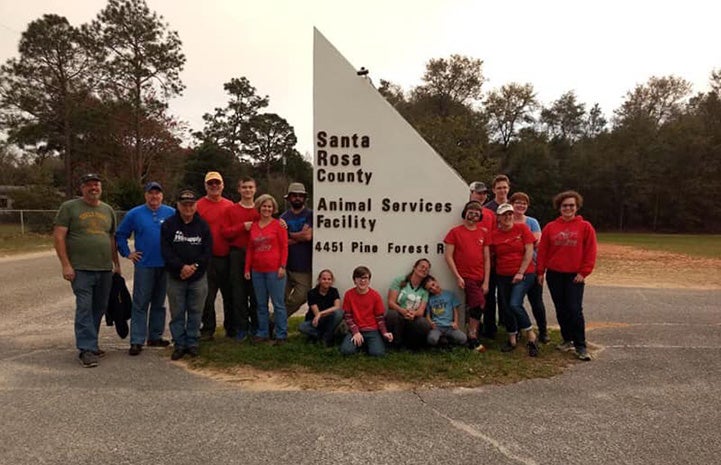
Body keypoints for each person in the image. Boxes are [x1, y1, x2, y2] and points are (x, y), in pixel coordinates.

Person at [53, 173, 121, 368]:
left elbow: (111, 239)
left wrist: (116, 265)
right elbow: (59, 237)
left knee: (99, 307)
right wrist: (66, 264)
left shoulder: (108, 210)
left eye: (96, 184)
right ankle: (85, 349)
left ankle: (91, 343)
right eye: (89, 185)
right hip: (81, 269)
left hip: (104, 268)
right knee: (84, 306)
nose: (93, 188)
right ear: (82, 188)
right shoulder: (69, 208)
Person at [115, 181, 176, 356]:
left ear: (162, 196)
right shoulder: (135, 214)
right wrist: (127, 253)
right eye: (151, 193)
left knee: (159, 303)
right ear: (146, 195)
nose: (154, 196)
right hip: (144, 265)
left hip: (164, 265)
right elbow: (120, 235)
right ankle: (136, 340)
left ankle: (155, 336)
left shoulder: (171, 213)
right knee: (141, 303)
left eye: (157, 193)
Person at [537, 190, 597, 361]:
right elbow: (543, 251)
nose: (568, 208)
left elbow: (590, 251)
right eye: (564, 206)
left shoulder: (585, 227)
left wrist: (584, 272)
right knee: (561, 309)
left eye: (571, 205)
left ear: (577, 207)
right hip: (555, 275)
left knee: (574, 309)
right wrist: (540, 271)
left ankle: (581, 345)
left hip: (574, 276)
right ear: (559, 207)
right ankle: (567, 339)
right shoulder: (550, 227)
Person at [160, 189, 212, 361]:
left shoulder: (203, 225)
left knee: (196, 311)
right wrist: (181, 267)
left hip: (198, 276)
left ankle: (192, 342)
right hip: (176, 276)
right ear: (178, 205)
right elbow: (166, 250)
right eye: (184, 204)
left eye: (191, 204)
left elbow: (207, 251)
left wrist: (194, 267)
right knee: (178, 312)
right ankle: (179, 343)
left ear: (196, 206)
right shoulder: (168, 224)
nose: (188, 208)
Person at [492, 203, 540, 356]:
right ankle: (511, 338)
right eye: (504, 214)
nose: (507, 217)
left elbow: (529, 251)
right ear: (498, 217)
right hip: (503, 274)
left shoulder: (522, 229)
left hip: (524, 273)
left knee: (514, 304)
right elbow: (491, 255)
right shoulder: (494, 234)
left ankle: (531, 335)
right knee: (506, 307)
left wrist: (520, 272)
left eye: (510, 214)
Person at [443, 200, 491, 351]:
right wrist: (458, 276)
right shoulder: (455, 232)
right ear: (465, 213)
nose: (473, 216)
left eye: (477, 214)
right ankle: (472, 335)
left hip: (480, 277)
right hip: (466, 276)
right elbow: (448, 256)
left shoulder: (483, 232)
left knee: (473, 306)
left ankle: (469, 333)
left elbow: (487, 258)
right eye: (471, 212)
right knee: (478, 303)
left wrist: (486, 282)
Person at [244, 194, 289, 345]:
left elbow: (284, 247)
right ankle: (262, 332)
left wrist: (282, 266)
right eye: (264, 206)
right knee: (260, 304)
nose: (267, 209)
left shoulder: (279, 225)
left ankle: (281, 334)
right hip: (257, 271)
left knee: (278, 304)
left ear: (274, 208)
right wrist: (247, 268)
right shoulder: (254, 226)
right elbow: (250, 248)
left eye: (269, 206)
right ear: (259, 207)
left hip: (275, 270)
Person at [197, 171, 234, 340]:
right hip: (207, 258)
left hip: (227, 256)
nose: (214, 186)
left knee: (230, 294)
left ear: (222, 185)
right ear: (205, 186)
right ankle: (208, 329)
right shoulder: (198, 206)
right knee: (207, 296)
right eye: (210, 183)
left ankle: (231, 328)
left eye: (217, 183)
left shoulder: (230, 205)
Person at [222, 176, 260, 341]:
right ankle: (241, 328)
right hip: (237, 254)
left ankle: (256, 327)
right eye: (244, 187)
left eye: (250, 187)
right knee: (238, 293)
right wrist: (242, 227)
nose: (247, 190)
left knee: (256, 292)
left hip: (258, 254)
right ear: (239, 190)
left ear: (255, 189)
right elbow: (225, 233)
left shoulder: (260, 210)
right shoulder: (231, 210)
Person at [510, 192, 549, 343]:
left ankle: (543, 331)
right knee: (513, 303)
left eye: (524, 203)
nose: (521, 205)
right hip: (512, 268)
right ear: (512, 204)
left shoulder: (532, 222)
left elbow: (536, 243)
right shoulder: (506, 220)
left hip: (532, 267)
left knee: (536, 302)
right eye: (517, 202)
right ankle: (519, 329)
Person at [339, 266, 393, 356]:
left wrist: (384, 332)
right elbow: (347, 317)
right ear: (354, 280)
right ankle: (360, 342)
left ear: (369, 280)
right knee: (346, 351)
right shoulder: (349, 294)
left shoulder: (375, 296)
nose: (362, 281)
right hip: (355, 329)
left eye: (365, 278)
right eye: (359, 278)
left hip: (372, 330)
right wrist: (355, 332)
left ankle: (365, 343)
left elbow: (380, 318)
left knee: (378, 353)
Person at [482, 174, 511, 338]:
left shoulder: (512, 207)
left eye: (504, 187)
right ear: (493, 190)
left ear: (509, 188)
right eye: (499, 187)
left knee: (506, 296)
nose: (502, 190)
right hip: (492, 258)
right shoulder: (486, 209)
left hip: (507, 258)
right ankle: (489, 327)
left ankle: (508, 325)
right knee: (489, 295)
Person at [280, 182, 313, 318]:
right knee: (280, 298)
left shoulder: (311, 214)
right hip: (285, 265)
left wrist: (289, 234)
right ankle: (277, 327)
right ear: (289, 198)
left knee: (301, 296)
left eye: (300, 196)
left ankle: (274, 319)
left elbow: (307, 236)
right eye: (294, 196)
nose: (297, 198)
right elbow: (281, 242)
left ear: (305, 198)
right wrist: (299, 236)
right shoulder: (283, 217)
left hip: (304, 266)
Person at [385, 258, 432, 350]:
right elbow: (391, 302)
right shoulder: (399, 280)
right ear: (414, 267)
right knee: (391, 314)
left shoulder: (424, 289)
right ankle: (395, 344)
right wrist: (402, 311)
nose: (424, 269)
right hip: (399, 314)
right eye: (422, 266)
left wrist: (414, 314)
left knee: (424, 324)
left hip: (413, 317)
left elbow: (421, 311)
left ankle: (410, 345)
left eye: (426, 269)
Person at [298, 269, 343, 346]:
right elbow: (316, 314)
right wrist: (320, 314)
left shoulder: (334, 291)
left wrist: (321, 313)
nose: (326, 281)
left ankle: (323, 337)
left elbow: (337, 307)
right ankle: (323, 336)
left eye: (329, 279)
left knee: (339, 313)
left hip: (329, 320)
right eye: (324, 279)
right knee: (302, 327)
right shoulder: (312, 293)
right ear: (319, 280)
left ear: (332, 281)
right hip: (315, 321)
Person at [424, 275, 468, 348]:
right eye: (430, 289)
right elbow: (428, 314)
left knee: (463, 338)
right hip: (437, 327)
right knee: (431, 339)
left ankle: (446, 340)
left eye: (433, 284)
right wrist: (431, 323)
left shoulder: (449, 294)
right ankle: (442, 340)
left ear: (436, 281)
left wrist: (455, 322)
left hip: (449, 326)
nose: (434, 288)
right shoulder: (430, 299)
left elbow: (455, 310)